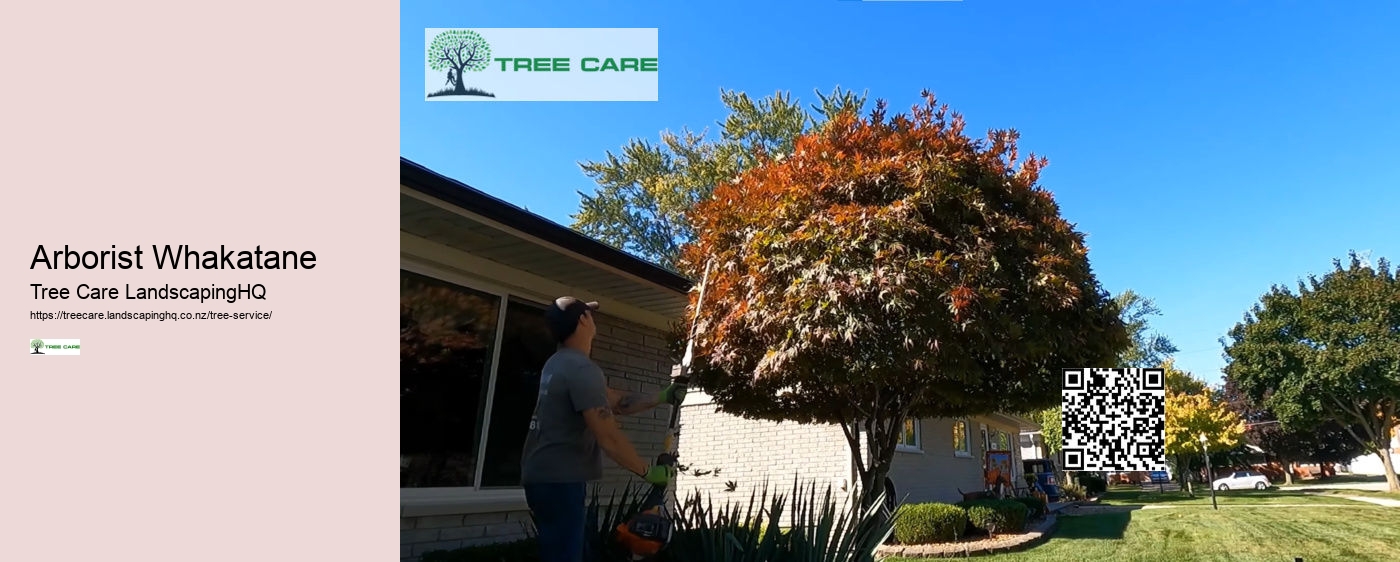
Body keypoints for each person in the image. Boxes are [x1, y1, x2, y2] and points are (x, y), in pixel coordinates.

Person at [520, 296, 687, 562]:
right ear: (583, 320)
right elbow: (608, 436)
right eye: (590, 314)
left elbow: (617, 402)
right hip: (560, 481)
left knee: (569, 552)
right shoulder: (581, 369)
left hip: (547, 477)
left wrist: (663, 396)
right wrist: (648, 472)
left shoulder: (559, 363)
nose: (593, 318)